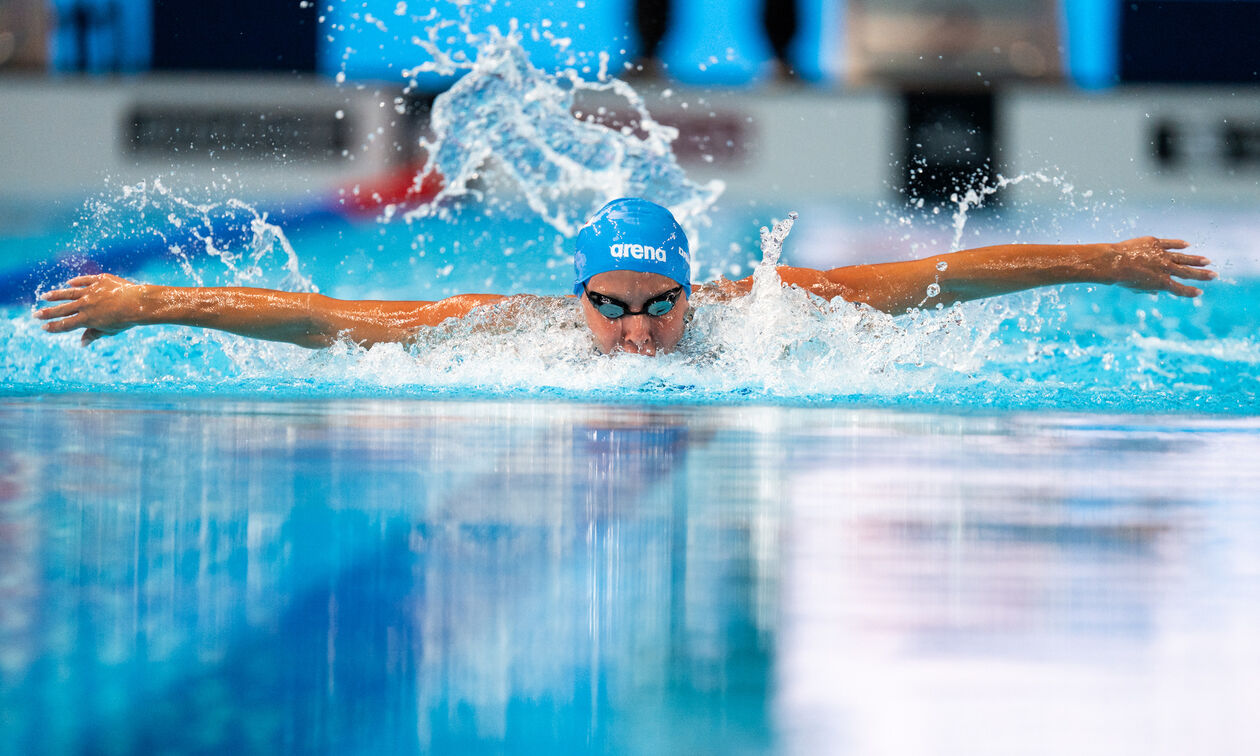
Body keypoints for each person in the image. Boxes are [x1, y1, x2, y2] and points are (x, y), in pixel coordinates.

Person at [35, 197, 1215, 356]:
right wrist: (146, 300)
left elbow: (943, 276)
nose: (640, 333)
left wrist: (1103, 261)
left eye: (660, 307)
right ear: (580, 296)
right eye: (615, 308)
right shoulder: (514, 330)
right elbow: (332, 316)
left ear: (693, 295)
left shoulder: (769, 316)